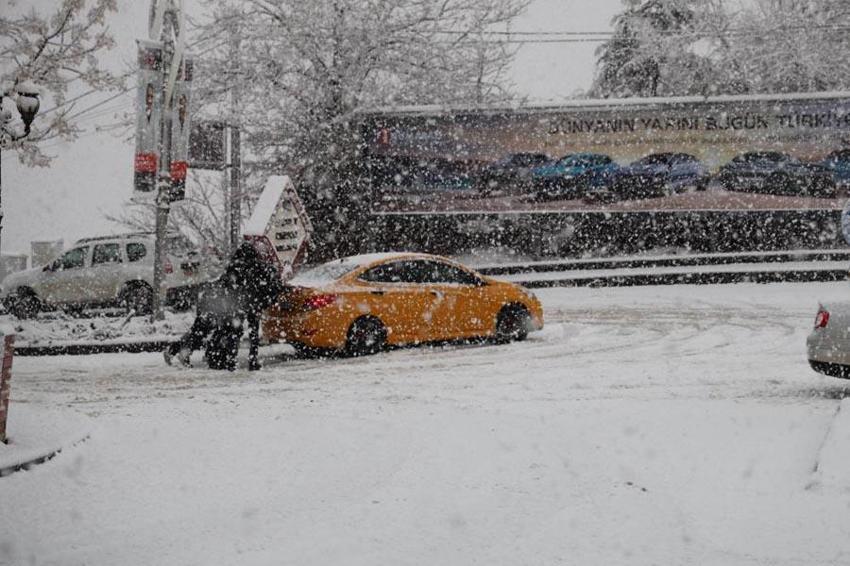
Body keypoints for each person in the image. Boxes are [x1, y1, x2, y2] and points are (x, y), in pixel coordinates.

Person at [164, 241, 284, 371]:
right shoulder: (256, 269)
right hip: (226, 304)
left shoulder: (236, 267)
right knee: (219, 330)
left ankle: (187, 352)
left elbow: (226, 284)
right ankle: (216, 357)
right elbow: (268, 286)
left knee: (206, 330)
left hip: (219, 303)